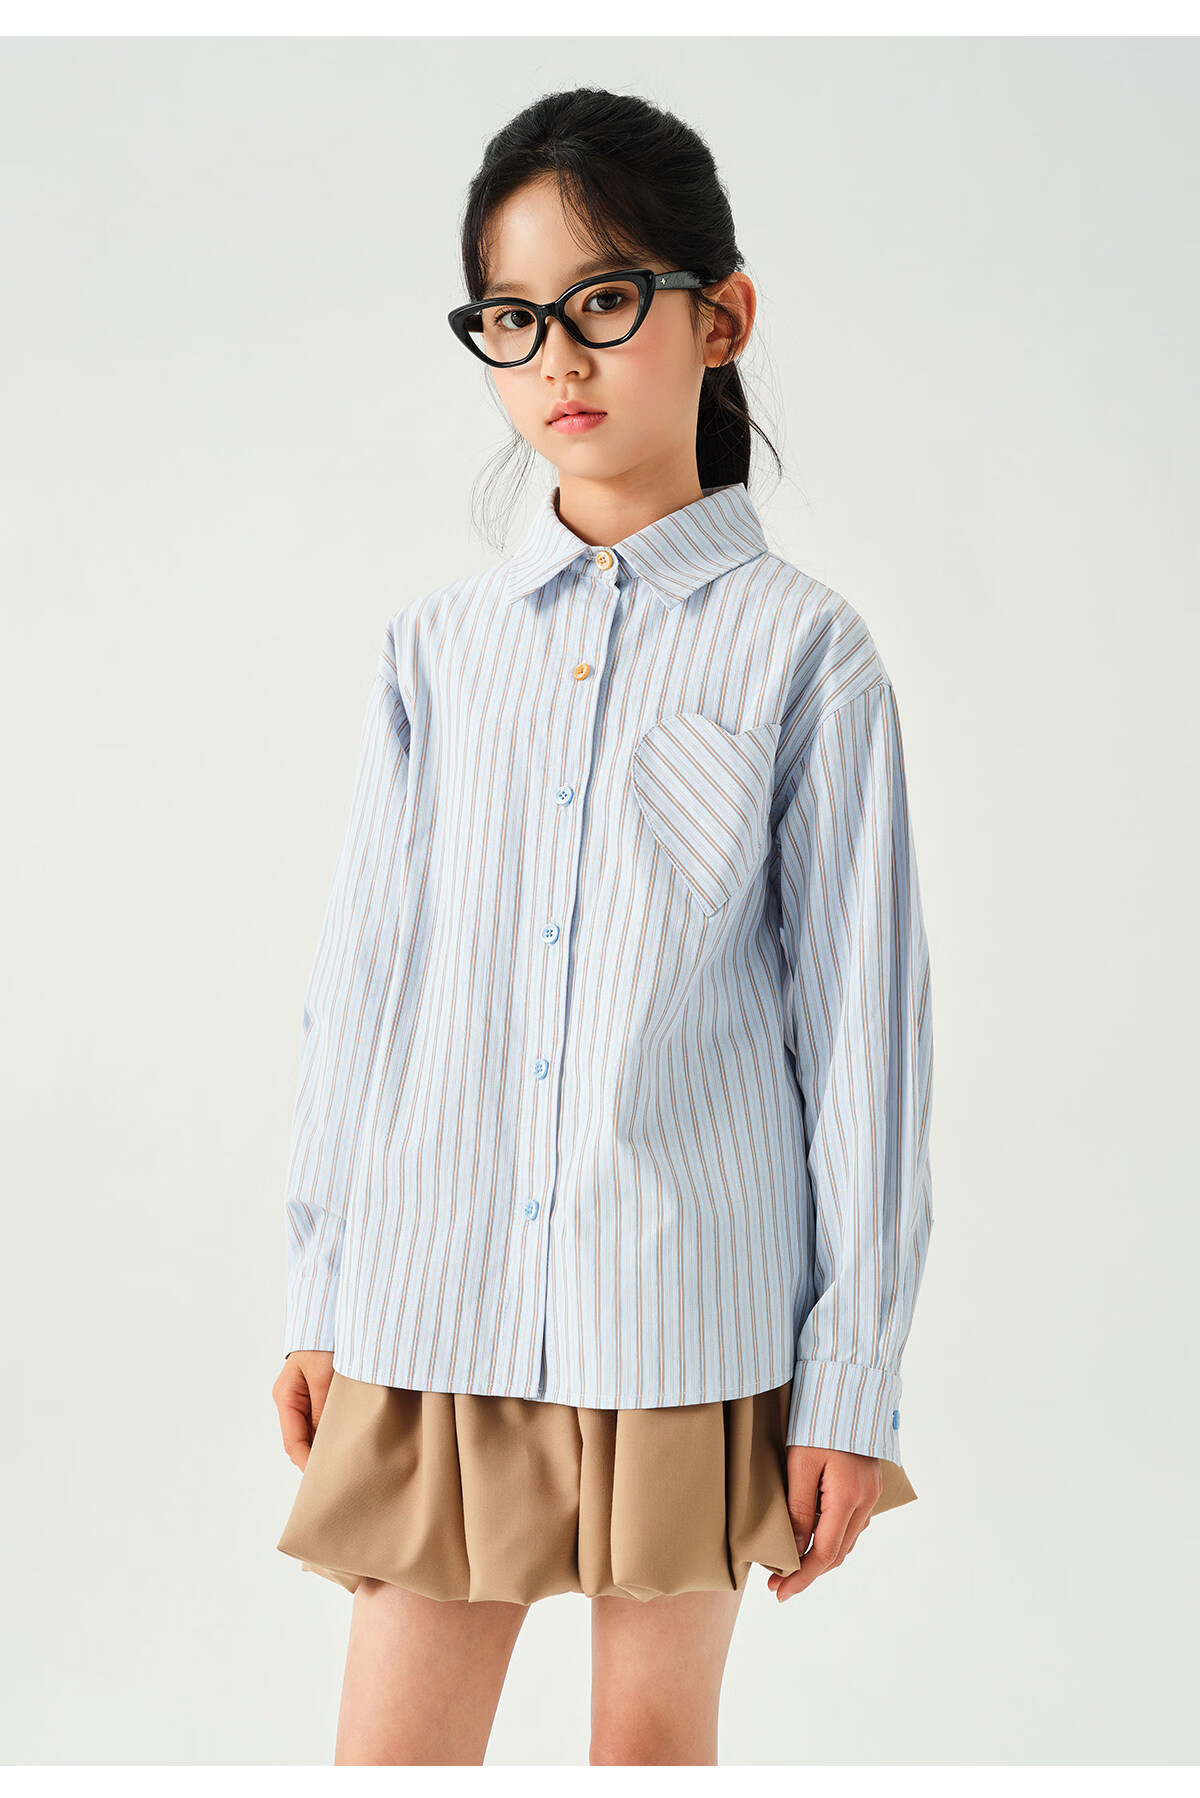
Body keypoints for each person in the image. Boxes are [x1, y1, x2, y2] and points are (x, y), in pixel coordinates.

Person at [270, 84, 935, 1768]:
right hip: (438, 1298)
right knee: (391, 1757)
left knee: (648, 1750)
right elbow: (366, 988)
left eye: (606, 299)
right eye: (513, 318)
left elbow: (864, 1044)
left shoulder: (805, 654)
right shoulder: (437, 651)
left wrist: (849, 1381)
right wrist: (323, 1283)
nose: (557, 358)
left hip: (686, 1309)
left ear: (723, 317)